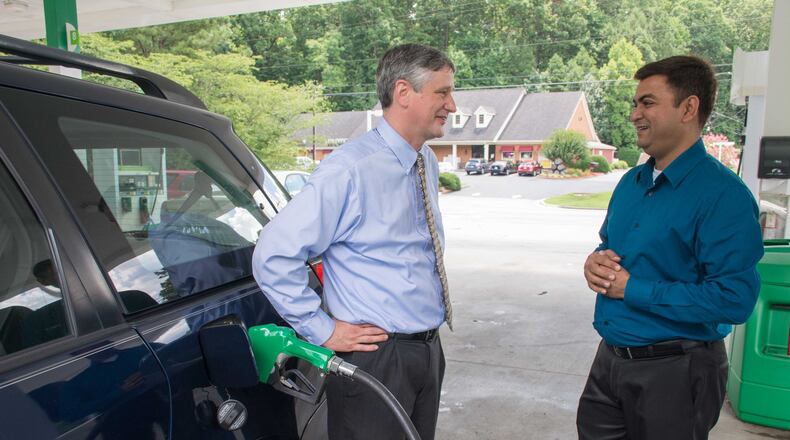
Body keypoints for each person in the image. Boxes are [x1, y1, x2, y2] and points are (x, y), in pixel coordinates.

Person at [252, 43, 456, 440]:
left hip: (427, 350)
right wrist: (322, 329)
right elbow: (273, 255)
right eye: (443, 92)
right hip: (376, 359)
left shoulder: (425, 161)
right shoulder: (349, 170)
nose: (452, 105)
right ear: (403, 92)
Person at [576, 55, 764, 440]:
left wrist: (633, 289)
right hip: (610, 360)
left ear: (688, 108)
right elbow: (609, 245)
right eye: (635, 103)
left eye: (647, 103)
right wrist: (595, 262)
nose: (634, 114)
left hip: (677, 371)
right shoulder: (630, 182)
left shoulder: (724, 196)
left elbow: (734, 299)